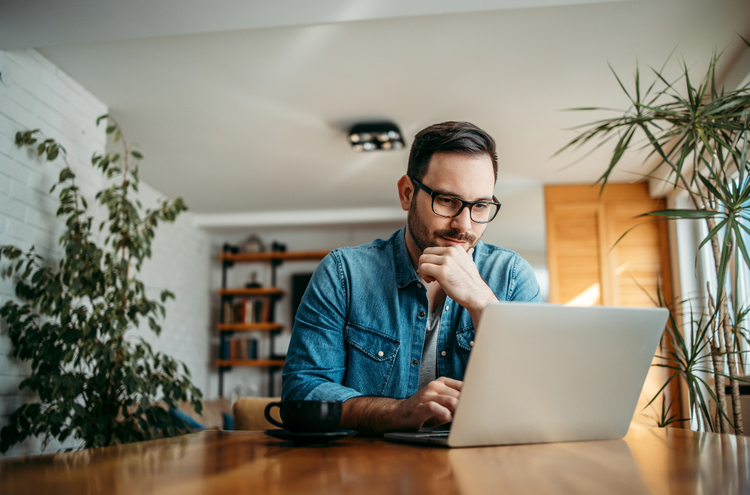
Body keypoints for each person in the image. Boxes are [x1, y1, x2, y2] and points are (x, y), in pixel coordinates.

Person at [281, 121, 542, 433]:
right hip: (367, 472)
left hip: (479, 471)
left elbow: (539, 401)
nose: (465, 225)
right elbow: (302, 394)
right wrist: (398, 412)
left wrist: (483, 304)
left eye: (481, 206)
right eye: (447, 200)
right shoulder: (343, 274)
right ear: (407, 193)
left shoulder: (512, 276)